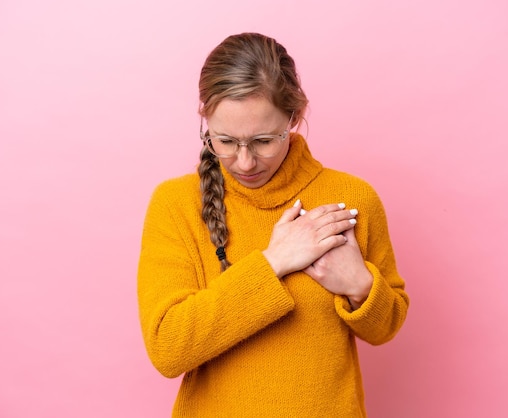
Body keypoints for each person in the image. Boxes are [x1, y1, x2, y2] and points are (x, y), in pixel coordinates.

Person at [137, 32, 409, 417]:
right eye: (225, 141)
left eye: (264, 140)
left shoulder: (353, 197)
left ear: (294, 118)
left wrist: (360, 285)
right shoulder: (175, 204)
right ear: (205, 120)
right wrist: (273, 262)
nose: (245, 162)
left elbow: (385, 327)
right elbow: (168, 347)